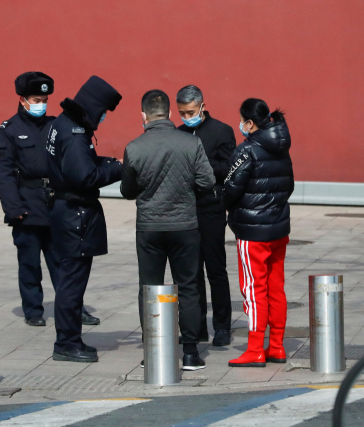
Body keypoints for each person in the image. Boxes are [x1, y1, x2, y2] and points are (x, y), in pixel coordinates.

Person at [0, 72, 99, 327]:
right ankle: (33, 310)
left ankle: (74, 308)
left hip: (56, 206)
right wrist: (13, 208)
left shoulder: (55, 125)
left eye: (44, 99)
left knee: (64, 264)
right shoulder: (8, 131)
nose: (41, 104)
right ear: (23, 99)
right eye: (36, 99)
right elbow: (4, 174)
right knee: (29, 264)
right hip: (26, 208)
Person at [121, 89, 214, 371]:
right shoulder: (190, 143)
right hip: (185, 225)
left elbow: (127, 190)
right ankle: (189, 353)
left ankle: (154, 348)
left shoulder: (134, 147)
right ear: (171, 114)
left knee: (150, 287)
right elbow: (207, 180)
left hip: (149, 227)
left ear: (143, 116)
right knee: (188, 288)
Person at [46, 76, 123, 363]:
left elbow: (75, 164)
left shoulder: (61, 124)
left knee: (69, 280)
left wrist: (105, 162)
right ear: (93, 107)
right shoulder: (76, 133)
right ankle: (66, 343)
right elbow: (84, 176)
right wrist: (116, 170)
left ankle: (71, 338)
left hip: (63, 211)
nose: (103, 117)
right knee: (72, 283)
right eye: (103, 111)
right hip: (74, 216)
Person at [222, 98, 294, 367]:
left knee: (254, 290)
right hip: (278, 228)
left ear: (250, 123)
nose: (240, 125)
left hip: (253, 232)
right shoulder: (282, 148)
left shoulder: (247, 150)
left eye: (242, 120)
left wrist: (226, 205)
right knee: (276, 289)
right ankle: (276, 346)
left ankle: (254, 349)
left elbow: (231, 189)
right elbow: (289, 187)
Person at [177, 85, 235, 347]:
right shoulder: (177, 134)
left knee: (215, 270)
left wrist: (200, 163)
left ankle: (222, 327)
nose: (186, 117)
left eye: (190, 111)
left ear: (201, 106)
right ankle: (196, 327)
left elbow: (229, 168)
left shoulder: (221, 131)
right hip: (184, 210)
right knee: (191, 273)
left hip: (211, 208)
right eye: (181, 112)